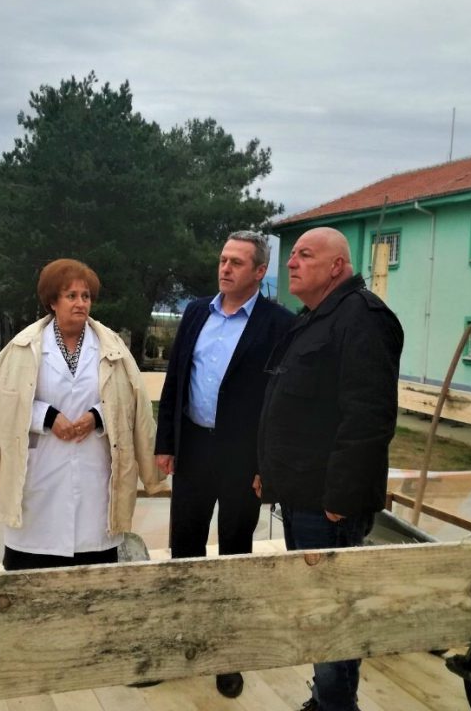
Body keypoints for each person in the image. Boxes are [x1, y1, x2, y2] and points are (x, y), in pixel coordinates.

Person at [256, 227, 403, 711]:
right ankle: (325, 699)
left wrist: (341, 498)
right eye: (292, 254)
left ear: (336, 266)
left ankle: (337, 705)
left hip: (329, 502)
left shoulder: (364, 318)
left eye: (304, 255)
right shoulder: (316, 316)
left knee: (332, 613)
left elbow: (369, 418)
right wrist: (268, 470)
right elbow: (291, 405)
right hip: (301, 492)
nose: (291, 262)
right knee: (315, 609)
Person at [154, 230, 294, 699]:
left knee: (235, 549)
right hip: (193, 447)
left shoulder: (279, 324)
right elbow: (176, 378)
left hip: (243, 458)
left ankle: (227, 654)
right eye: (223, 260)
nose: (226, 268)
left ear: (260, 271)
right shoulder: (197, 311)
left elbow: (281, 403)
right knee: (184, 547)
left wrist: (267, 465)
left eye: (237, 262)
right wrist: (166, 441)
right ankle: (179, 641)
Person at [0, 259, 166, 571]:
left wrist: (97, 417)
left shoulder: (112, 348)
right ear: (53, 301)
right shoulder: (22, 349)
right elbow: (6, 406)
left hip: (95, 471)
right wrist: (48, 417)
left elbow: (128, 403)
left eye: (85, 296)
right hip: (40, 472)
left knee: (94, 568)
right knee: (31, 570)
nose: (81, 303)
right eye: (71, 296)